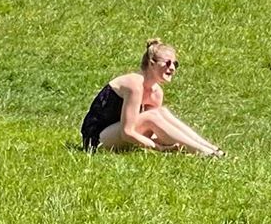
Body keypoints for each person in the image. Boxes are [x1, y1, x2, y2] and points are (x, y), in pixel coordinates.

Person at [80, 40, 220, 156]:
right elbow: (127, 132)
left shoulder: (156, 92)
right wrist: (159, 148)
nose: (172, 68)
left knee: (162, 112)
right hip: (96, 140)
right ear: (151, 63)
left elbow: (156, 129)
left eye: (175, 64)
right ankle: (202, 152)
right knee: (152, 116)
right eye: (167, 63)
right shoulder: (134, 84)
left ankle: (211, 149)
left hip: (118, 136)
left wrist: (168, 144)